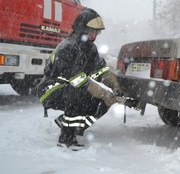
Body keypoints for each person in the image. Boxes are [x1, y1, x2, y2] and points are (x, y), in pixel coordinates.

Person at [36, 8, 138, 151]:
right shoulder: (67, 47)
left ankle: (73, 126)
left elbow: (101, 71)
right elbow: (76, 79)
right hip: (51, 88)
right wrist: (104, 93)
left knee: (99, 103)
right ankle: (66, 139)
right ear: (81, 28)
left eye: (97, 32)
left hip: (71, 87)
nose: (94, 35)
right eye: (92, 31)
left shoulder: (90, 49)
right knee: (79, 96)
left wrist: (116, 89)